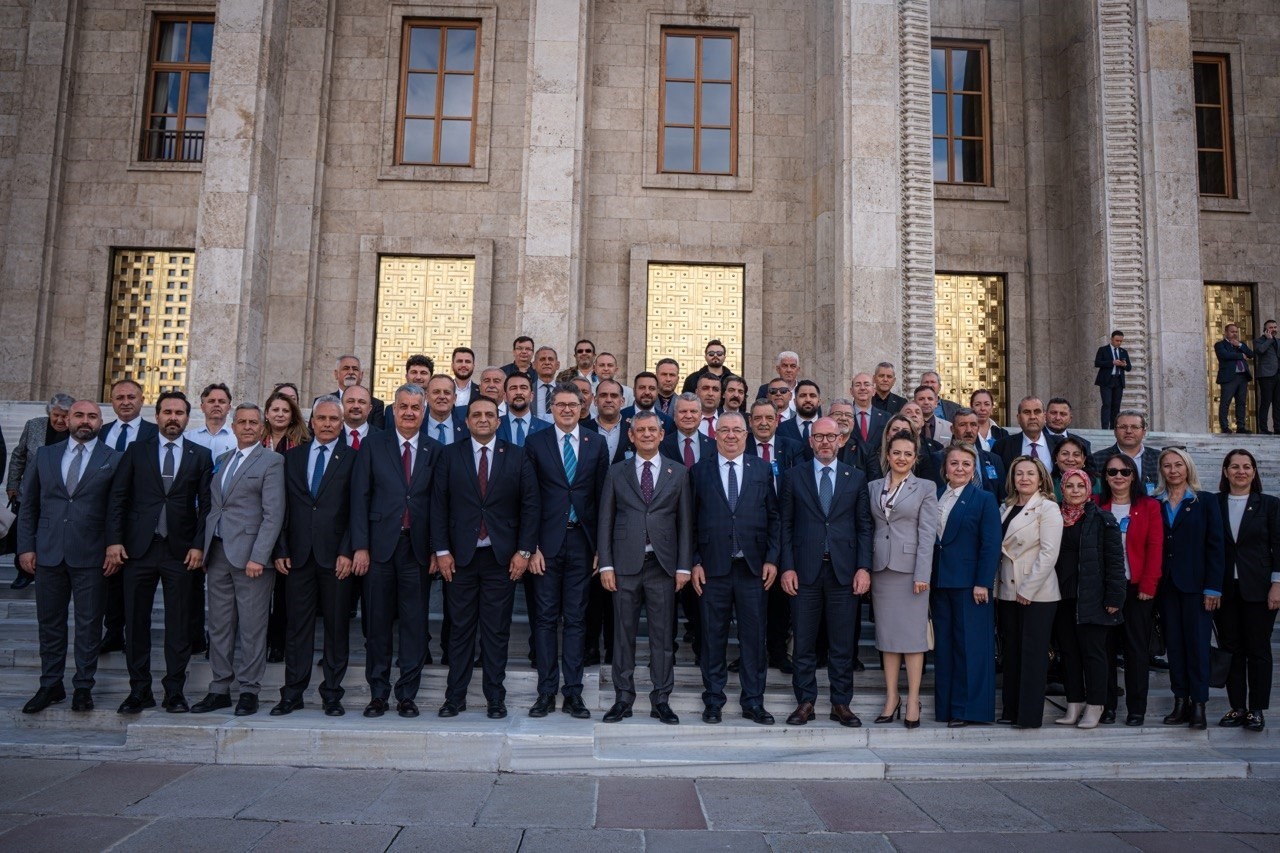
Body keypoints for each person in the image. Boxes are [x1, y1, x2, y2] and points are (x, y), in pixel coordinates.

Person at [106, 391, 213, 715]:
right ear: (157, 416)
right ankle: (139, 691)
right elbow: (118, 498)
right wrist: (114, 541)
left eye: (179, 413)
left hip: (179, 552)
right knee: (135, 623)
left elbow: (207, 507)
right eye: (167, 412)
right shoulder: (137, 451)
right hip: (139, 550)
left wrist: (198, 545)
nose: (173, 418)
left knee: (179, 625)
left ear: (186, 418)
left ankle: (174, 691)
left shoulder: (200, 455)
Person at [433, 396, 539, 720]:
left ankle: (496, 697)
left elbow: (531, 506)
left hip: (501, 559)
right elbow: (438, 505)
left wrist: (524, 552)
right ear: (466, 421)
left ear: (498, 421)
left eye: (489, 415)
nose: (482, 419)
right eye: (476, 414)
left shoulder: (518, 457)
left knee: (496, 631)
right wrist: (441, 551)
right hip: (459, 559)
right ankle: (455, 697)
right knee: (460, 630)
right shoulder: (450, 455)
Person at [15, 401, 122, 714]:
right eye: (79, 415)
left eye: (92, 416)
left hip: (92, 555)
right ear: (68, 420)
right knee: (50, 623)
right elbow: (29, 505)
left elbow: (117, 509)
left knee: (89, 626)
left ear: (101, 421)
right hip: (47, 553)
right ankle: (50, 684)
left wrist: (113, 546)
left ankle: (83, 687)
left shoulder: (113, 459)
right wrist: (26, 547)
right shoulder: (45, 455)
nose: (85, 421)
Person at [349, 383, 442, 718]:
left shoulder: (435, 450)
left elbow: (438, 505)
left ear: (424, 410)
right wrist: (360, 546)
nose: (409, 413)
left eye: (416, 407)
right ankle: (377, 693)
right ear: (394, 409)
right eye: (403, 406)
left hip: (416, 552)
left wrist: (436, 549)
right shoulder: (374, 445)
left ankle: (407, 695)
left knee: (415, 626)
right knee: (376, 624)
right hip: (378, 550)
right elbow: (359, 498)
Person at [598, 411, 693, 725]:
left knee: (663, 637)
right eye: (641, 430)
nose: (647, 434)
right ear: (632, 435)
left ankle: (661, 699)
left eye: (653, 429)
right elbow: (606, 520)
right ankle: (623, 698)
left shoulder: (678, 472)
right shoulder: (616, 472)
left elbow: (685, 524)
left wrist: (683, 567)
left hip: (662, 566)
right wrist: (606, 564)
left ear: (662, 434)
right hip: (624, 565)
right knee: (622, 636)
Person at [191, 403, 285, 717]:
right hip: (216, 553)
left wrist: (260, 556)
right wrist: (203, 548)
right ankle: (219, 687)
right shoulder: (222, 460)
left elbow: (273, 515)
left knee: (252, 627)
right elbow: (214, 508)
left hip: (251, 559)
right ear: (233, 426)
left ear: (262, 427)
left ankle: (249, 690)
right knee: (219, 625)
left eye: (253, 422)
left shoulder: (272, 461)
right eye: (241, 422)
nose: (247, 427)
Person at [779, 417, 872, 727]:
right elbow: (786, 526)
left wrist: (863, 567)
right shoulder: (794, 477)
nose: (825, 442)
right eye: (818, 437)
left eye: (831, 437)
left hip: (844, 573)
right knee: (804, 642)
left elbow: (864, 526)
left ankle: (841, 703)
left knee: (842, 643)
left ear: (841, 441)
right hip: (804, 572)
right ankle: (805, 702)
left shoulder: (856, 478)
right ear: (810, 441)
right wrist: (787, 567)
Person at [525, 384, 609, 719]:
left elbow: (604, 499)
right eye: (560, 405)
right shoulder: (535, 443)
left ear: (582, 407)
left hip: (582, 543)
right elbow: (528, 499)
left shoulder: (596, 443)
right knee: (545, 620)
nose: (567, 410)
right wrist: (529, 546)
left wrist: (602, 548)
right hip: (545, 545)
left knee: (576, 619)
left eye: (572, 404)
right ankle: (546, 692)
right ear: (551, 408)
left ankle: (573, 693)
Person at [690, 411, 779, 725]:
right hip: (712, 569)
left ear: (747, 434)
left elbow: (774, 518)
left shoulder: (763, 469)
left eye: (736, 430)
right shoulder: (699, 471)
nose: (730, 435)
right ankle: (713, 701)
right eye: (724, 430)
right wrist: (695, 561)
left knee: (754, 640)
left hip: (752, 568)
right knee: (712, 638)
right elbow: (689, 521)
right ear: (715, 434)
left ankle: (753, 702)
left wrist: (771, 559)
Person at [271, 396, 358, 717]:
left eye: (333, 419)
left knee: (336, 629)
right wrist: (280, 549)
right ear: (312, 421)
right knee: (297, 629)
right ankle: (292, 692)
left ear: (341, 423)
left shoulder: (353, 459)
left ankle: (332, 694)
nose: (326, 424)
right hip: (297, 558)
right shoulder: (292, 459)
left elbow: (356, 510)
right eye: (321, 418)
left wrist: (348, 550)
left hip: (336, 559)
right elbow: (281, 508)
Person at [868, 430, 937, 729]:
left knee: (912, 640)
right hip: (881, 569)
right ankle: (891, 696)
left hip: (911, 572)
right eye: (897, 452)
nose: (902, 458)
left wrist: (923, 573)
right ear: (888, 454)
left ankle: (912, 700)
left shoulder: (925, 487)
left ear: (915, 458)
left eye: (908, 454)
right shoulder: (872, 487)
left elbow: (927, 533)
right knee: (888, 639)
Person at [932, 443, 1002, 727]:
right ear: (944, 468)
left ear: (973, 470)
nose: (959, 469)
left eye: (965, 464)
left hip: (970, 585)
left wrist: (983, 582)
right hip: (939, 582)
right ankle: (947, 708)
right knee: (945, 648)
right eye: (954, 463)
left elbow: (991, 544)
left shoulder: (983, 499)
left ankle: (970, 710)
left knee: (971, 648)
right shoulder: (934, 495)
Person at [1154, 447, 1224, 729]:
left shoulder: (1205, 501)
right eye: (1167, 466)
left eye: (1178, 465)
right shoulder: (1155, 502)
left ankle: (1199, 705)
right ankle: (1180, 701)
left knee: (1197, 646)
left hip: (1197, 587)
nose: (1173, 470)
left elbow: (1216, 546)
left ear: (1188, 468)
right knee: (1175, 647)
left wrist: (1213, 588)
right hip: (1166, 587)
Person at [1051, 469, 1126, 729]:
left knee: (1093, 654)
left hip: (1093, 598)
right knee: (1069, 654)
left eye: (1079, 486)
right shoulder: (1054, 517)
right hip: (1062, 598)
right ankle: (1075, 703)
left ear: (1088, 489)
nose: (1074, 491)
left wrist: (1115, 597)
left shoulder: (1103, 519)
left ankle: (1096, 705)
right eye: (1069, 486)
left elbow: (1116, 563)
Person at [1096, 452, 1163, 726]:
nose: (1119, 477)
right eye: (1112, 472)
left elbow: (1155, 548)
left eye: (1124, 472)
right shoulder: (1096, 505)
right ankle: (1107, 706)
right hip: (1105, 589)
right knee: (1106, 651)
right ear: (1105, 477)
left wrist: (1149, 584)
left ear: (1133, 475)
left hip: (1137, 590)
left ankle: (1137, 709)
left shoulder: (1148, 506)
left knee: (1136, 651)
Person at [996, 456, 1063, 728]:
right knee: (1010, 653)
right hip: (1006, 590)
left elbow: (1049, 553)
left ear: (1040, 478)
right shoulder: (1005, 507)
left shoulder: (1047, 508)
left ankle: (1029, 716)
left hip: (1036, 593)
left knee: (1033, 655)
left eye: (1030, 474)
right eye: (1018, 473)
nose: (1024, 478)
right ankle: (1010, 710)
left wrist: (1029, 588)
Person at [1215, 449, 1280, 731]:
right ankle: (1237, 706)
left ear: (1254, 472)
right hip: (1224, 590)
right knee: (1231, 649)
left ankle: (1256, 709)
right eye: (1235, 466)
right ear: (1226, 471)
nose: (1241, 471)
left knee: (1259, 649)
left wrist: (1277, 584)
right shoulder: (1213, 504)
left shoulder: (1269, 505)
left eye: (1247, 466)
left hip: (1260, 589)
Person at [99, 379, 159, 654]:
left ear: (142, 399)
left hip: (139, 519)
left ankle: (133, 634)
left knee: (132, 582)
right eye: (119, 397)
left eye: (131, 396)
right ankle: (112, 632)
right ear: (111, 401)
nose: (125, 401)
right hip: (103, 516)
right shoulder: (100, 432)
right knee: (108, 578)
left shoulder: (154, 433)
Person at [184, 382, 235, 654]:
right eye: (211, 400)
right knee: (191, 581)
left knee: (222, 581)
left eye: (222, 400)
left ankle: (221, 637)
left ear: (229, 406)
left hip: (227, 521)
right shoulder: (189, 438)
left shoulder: (238, 439)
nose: (216, 404)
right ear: (202, 405)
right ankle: (194, 636)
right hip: (194, 516)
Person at [6, 393, 73, 590]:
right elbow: (19, 456)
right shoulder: (34, 425)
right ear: (49, 413)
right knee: (24, 533)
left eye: (65, 416)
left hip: (61, 495)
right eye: (56, 415)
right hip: (31, 492)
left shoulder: (78, 431)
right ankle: (24, 573)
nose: (60, 420)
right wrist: (12, 485)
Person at [1089, 411, 1161, 496]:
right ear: (1115, 431)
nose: (1129, 431)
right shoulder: (1097, 459)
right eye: (1123, 427)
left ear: (1144, 432)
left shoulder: (1158, 458)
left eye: (1135, 427)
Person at [942, 407, 1005, 501]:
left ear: (978, 428)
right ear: (952, 429)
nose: (969, 430)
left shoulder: (994, 460)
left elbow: (1002, 496)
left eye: (973, 425)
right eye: (962, 425)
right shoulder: (939, 458)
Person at [992, 396, 1061, 471]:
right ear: (1018, 418)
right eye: (1027, 412)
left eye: (1037, 412)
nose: (1032, 417)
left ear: (1044, 417)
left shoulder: (1059, 444)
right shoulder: (1002, 446)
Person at [318, 355, 385, 429]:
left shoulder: (376, 404)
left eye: (355, 369)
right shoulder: (322, 402)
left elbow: (377, 435)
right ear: (336, 374)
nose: (351, 372)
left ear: (361, 375)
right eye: (346, 368)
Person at [1215, 323, 1254, 434]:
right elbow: (1224, 355)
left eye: (1236, 332)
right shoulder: (1220, 345)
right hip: (1229, 378)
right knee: (1225, 402)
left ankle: (1241, 426)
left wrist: (1240, 346)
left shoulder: (1241, 345)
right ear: (1226, 332)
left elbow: (1251, 354)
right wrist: (1241, 355)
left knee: (1241, 402)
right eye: (1232, 332)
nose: (1235, 334)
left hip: (1242, 377)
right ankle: (1224, 426)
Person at [496, 373, 549, 446]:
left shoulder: (547, 428)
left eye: (523, 388)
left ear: (531, 396)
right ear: (505, 396)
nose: (518, 392)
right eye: (513, 388)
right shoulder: (495, 426)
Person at [895, 405, 942, 484]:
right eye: (908, 412)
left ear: (923, 422)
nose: (914, 415)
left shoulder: (937, 447)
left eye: (917, 412)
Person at [1094, 330, 1131, 430]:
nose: (1118, 343)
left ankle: (1114, 428)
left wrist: (1124, 365)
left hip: (1118, 381)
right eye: (1117, 340)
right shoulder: (1103, 350)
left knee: (1116, 406)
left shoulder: (1123, 352)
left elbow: (1129, 368)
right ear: (1111, 339)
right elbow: (1097, 363)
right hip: (1106, 381)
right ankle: (1105, 428)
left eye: (1120, 341)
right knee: (1107, 404)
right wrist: (1112, 362)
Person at [849, 373, 890, 459]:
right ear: (851, 391)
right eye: (857, 385)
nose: (862, 388)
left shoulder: (886, 418)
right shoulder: (844, 416)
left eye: (867, 384)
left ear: (874, 391)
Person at [424, 375, 468, 445]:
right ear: (426, 397)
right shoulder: (416, 428)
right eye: (436, 392)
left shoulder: (467, 430)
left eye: (447, 392)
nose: (442, 396)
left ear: (454, 398)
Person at [777, 380, 822, 446]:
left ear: (819, 402)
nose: (808, 400)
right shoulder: (781, 429)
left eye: (812, 396)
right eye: (803, 395)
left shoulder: (829, 427)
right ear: (795, 401)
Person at [1255, 321, 1280, 435]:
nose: (1274, 329)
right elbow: (1260, 351)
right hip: (1266, 376)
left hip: (1278, 375)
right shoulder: (1259, 341)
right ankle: (1263, 428)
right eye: (1271, 327)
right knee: (1266, 402)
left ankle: (1278, 428)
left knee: (1277, 403)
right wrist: (1269, 339)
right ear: (1265, 329)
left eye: (1275, 327)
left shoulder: (1278, 341)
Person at [531, 346, 563, 420]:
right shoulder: (528, 391)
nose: (547, 362)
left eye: (550, 359)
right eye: (542, 359)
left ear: (557, 365)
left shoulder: (565, 391)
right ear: (534, 365)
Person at [695, 374, 723, 439]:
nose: (710, 394)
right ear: (696, 392)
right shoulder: (687, 420)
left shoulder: (728, 420)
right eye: (705, 388)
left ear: (720, 394)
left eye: (715, 389)